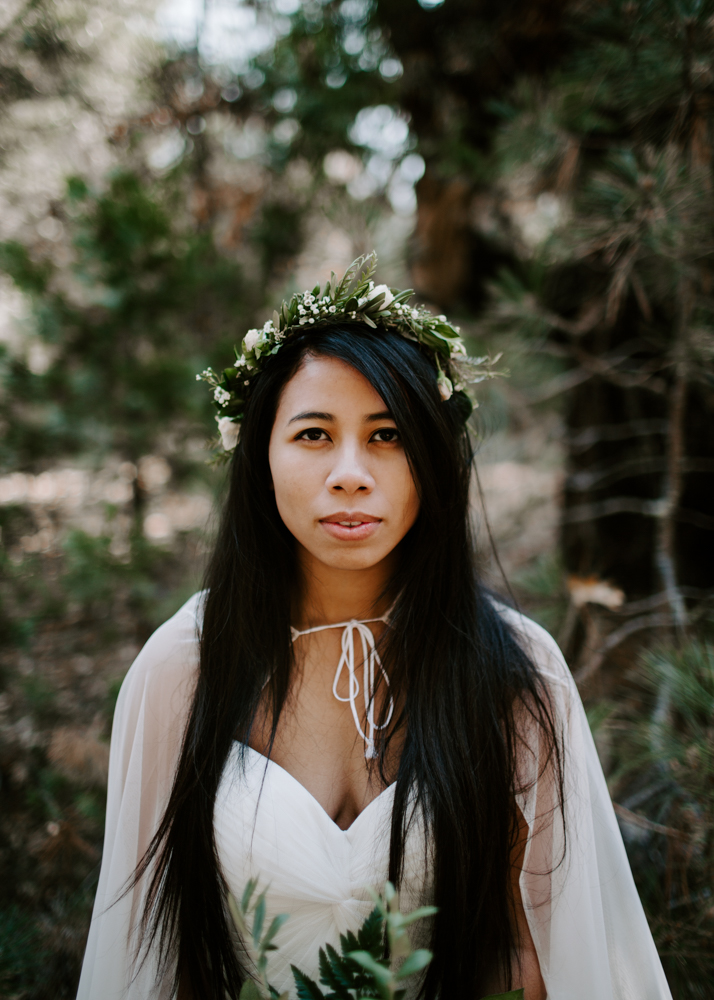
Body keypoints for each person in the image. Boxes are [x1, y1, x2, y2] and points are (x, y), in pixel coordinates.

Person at [77, 256, 672, 1000]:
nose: (350, 472)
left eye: (387, 435)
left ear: (432, 459)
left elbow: (530, 963)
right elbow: (157, 957)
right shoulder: (182, 669)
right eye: (315, 434)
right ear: (260, 453)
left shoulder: (517, 674)